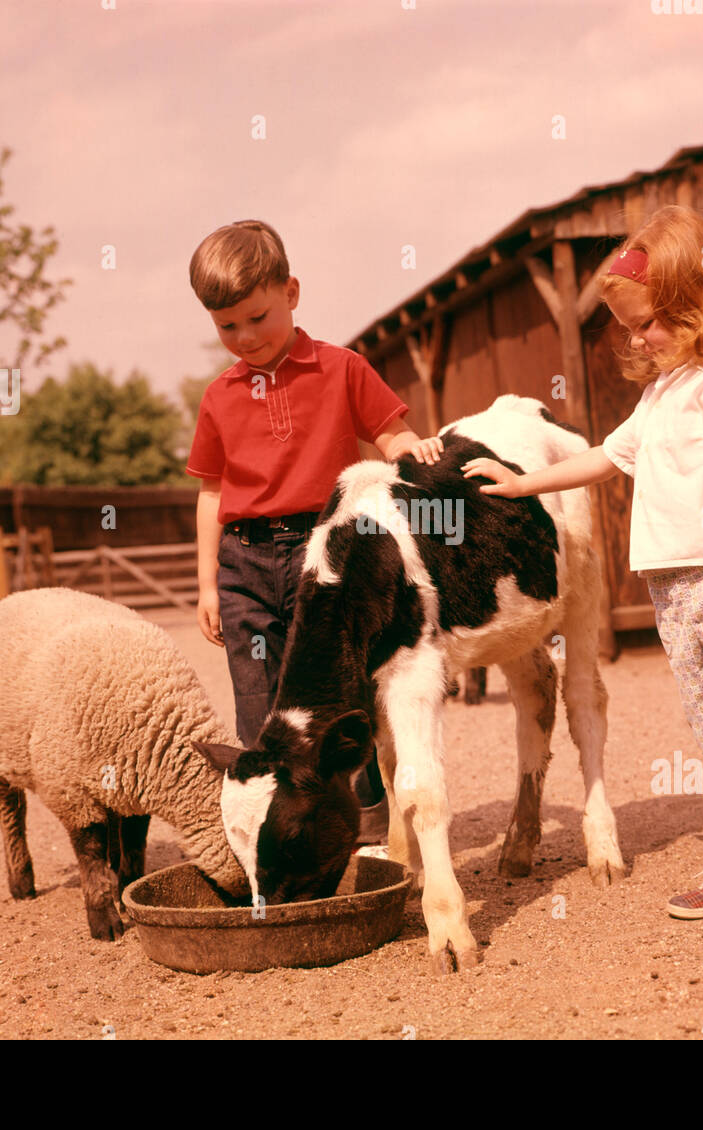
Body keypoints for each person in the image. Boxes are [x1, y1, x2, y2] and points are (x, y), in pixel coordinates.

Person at [462, 205, 703, 937]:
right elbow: (607, 456)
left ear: (697, 306)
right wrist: (519, 484)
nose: (637, 340)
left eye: (647, 324)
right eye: (630, 328)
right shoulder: (662, 393)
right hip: (673, 588)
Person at [186, 220, 442, 842]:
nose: (244, 337)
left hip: (323, 554)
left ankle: (369, 816)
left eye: (257, 317)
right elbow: (212, 492)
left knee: (337, 690)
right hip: (242, 565)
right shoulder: (218, 397)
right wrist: (206, 585)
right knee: (258, 702)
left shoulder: (341, 367)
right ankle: (273, 822)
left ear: (292, 292)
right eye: (227, 327)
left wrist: (415, 447)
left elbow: (390, 433)